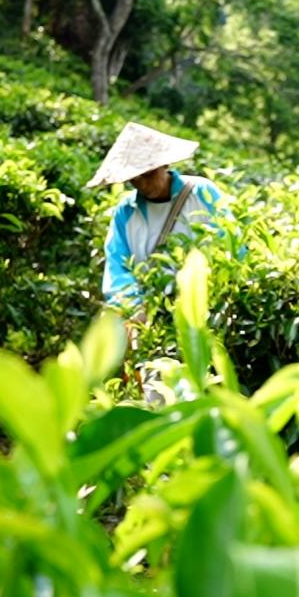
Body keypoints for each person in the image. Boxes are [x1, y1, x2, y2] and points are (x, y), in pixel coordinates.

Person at [89, 122, 227, 399]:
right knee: (158, 395)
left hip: (207, 311)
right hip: (151, 319)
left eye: (147, 174)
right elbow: (118, 268)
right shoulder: (125, 213)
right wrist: (136, 309)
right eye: (134, 179)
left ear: (164, 165)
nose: (142, 184)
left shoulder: (201, 193)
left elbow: (230, 245)